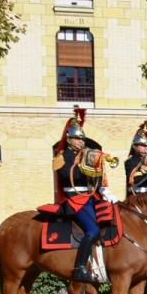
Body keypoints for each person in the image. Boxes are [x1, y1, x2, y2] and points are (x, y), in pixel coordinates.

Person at [52, 110, 114, 284]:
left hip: (88, 198)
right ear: (69, 139)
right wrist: (84, 165)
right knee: (92, 230)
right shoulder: (61, 157)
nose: (81, 141)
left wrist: (100, 175)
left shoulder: (86, 154)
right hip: (72, 200)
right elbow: (66, 175)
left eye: (82, 139)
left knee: (109, 222)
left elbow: (93, 177)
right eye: (78, 139)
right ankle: (79, 268)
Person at [124, 121, 147, 196]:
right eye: (143, 146)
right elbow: (136, 180)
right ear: (134, 147)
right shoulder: (130, 161)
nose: (146, 149)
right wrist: (145, 164)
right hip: (136, 196)